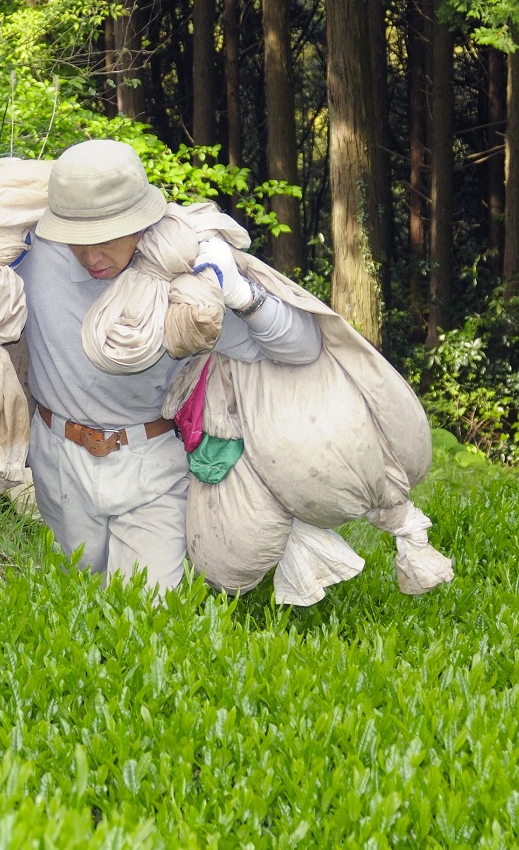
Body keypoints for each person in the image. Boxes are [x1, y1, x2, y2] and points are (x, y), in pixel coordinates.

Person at [17, 138, 322, 591]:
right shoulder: (31, 254)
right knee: (76, 606)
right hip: (56, 461)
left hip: (150, 469)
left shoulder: (185, 283)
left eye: (106, 237)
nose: (90, 255)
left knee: (145, 619)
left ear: (141, 222)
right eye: (78, 240)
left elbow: (303, 347)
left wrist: (239, 293)